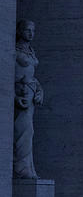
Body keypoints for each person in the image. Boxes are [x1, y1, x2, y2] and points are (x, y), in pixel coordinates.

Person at [13, 20, 44, 179]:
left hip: (31, 93)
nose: (31, 33)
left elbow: (32, 76)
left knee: (29, 131)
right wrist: (14, 96)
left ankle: (28, 166)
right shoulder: (13, 49)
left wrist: (40, 90)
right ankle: (20, 167)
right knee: (23, 130)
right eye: (27, 30)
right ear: (19, 31)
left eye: (33, 30)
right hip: (21, 93)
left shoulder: (31, 51)